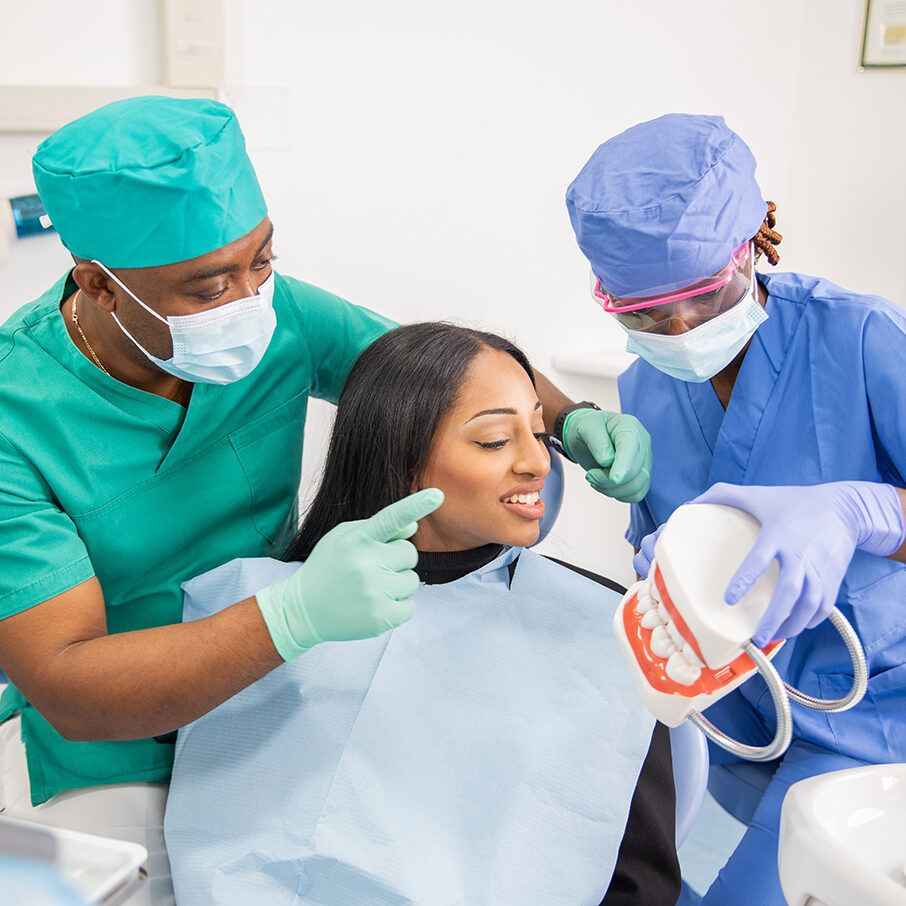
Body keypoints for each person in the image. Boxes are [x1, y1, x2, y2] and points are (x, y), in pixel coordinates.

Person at [0, 95, 651, 903]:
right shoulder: (13, 417)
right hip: (125, 743)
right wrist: (292, 615)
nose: (249, 301)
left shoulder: (276, 314)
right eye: (208, 290)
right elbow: (67, 685)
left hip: (284, 692)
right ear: (99, 285)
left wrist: (568, 415)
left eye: (263, 262)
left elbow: (437, 377)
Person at [163, 322, 681, 906]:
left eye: (539, 431)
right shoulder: (260, 610)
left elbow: (641, 883)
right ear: (400, 456)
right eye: (494, 441)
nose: (539, 462)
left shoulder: (604, 626)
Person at [565, 113, 906, 905]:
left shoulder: (862, 337)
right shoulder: (646, 383)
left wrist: (860, 511)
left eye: (704, 295)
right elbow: (677, 548)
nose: (680, 329)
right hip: (736, 712)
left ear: (752, 243)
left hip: (876, 718)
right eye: (646, 312)